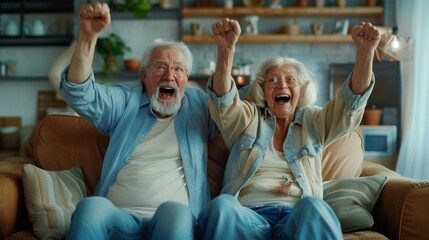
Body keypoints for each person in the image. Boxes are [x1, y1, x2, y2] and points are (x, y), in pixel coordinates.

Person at [198, 18, 380, 239]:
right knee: (222, 206)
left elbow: (349, 106)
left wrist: (365, 53)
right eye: (273, 80)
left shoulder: (314, 120)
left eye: (290, 80)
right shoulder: (249, 118)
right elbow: (223, 103)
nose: (281, 85)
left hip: (297, 218)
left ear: (301, 90)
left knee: (314, 207)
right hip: (249, 218)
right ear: (263, 91)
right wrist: (226, 50)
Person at [59, 2, 219, 239]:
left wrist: (226, 52)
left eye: (178, 69)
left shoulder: (200, 105)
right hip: (119, 218)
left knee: (175, 212)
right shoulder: (126, 100)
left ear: (187, 78)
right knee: (90, 207)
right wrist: (88, 37)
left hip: (173, 221)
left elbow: (234, 108)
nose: (169, 76)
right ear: (143, 76)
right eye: (160, 68)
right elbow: (80, 93)